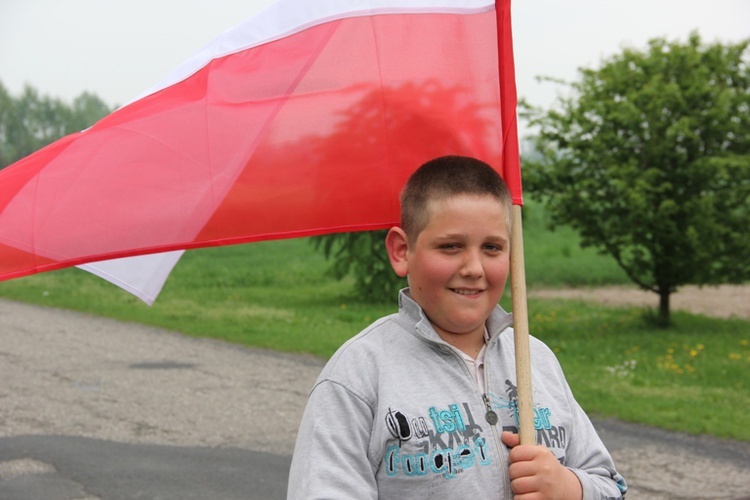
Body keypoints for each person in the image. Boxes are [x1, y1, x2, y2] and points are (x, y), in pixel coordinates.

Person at [287, 155, 627, 499]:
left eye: (492, 247)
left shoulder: (535, 359)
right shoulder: (359, 376)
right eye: (451, 246)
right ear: (402, 251)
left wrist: (570, 488)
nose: (474, 268)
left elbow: (610, 485)